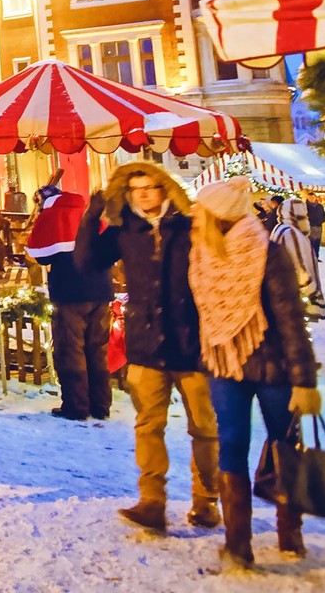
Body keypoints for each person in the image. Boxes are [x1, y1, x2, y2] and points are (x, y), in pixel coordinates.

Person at [77, 161, 220, 533]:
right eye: (135, 187)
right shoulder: (127, 231)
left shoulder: (190, 226)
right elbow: (87, 261)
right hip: (146, 343)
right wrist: (93, 215)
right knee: (147, 425)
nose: (142, 193)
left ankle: (206, 501)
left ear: (164, 188)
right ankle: (152, 501)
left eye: (150, 186)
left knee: (204, 427)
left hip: (192, 343)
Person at [188, 177, 320, 567]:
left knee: (283, 443)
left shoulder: (267, 252)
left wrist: (304, 380)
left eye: (203, 209)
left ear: (218, 214)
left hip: (273, 366)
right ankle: (238, 541)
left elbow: (290, 319)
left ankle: (289, 530)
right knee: (231, 445)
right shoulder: (201, 253)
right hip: (224, 363)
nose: (196, 214)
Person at [29, 187, 112, 421]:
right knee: (97, 349)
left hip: (70, 291)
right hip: (100, 289)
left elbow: (41, 255)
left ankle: (76, 406)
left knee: (71, 349)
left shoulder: (52, 214)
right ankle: (101, 405)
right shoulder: (86, 211)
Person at [271, 198, 325, 322]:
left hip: (286, 294)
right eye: (304, 214)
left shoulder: (281, 228)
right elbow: (298, 266)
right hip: (296, 296)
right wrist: (310, 289)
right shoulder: (291, 233)